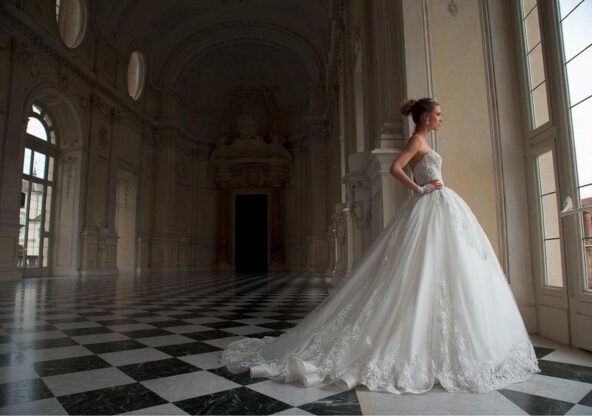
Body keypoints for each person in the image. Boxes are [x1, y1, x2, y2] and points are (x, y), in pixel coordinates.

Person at [222, 98, 539, 394]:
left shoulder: (424, 142)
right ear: (425, 117)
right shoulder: (417, 141)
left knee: (448, 267)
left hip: (440, 205)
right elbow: (395, 168)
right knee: (422, 267)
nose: (441, 119)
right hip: (430, 203)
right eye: (438, 115)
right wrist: (420, 189)